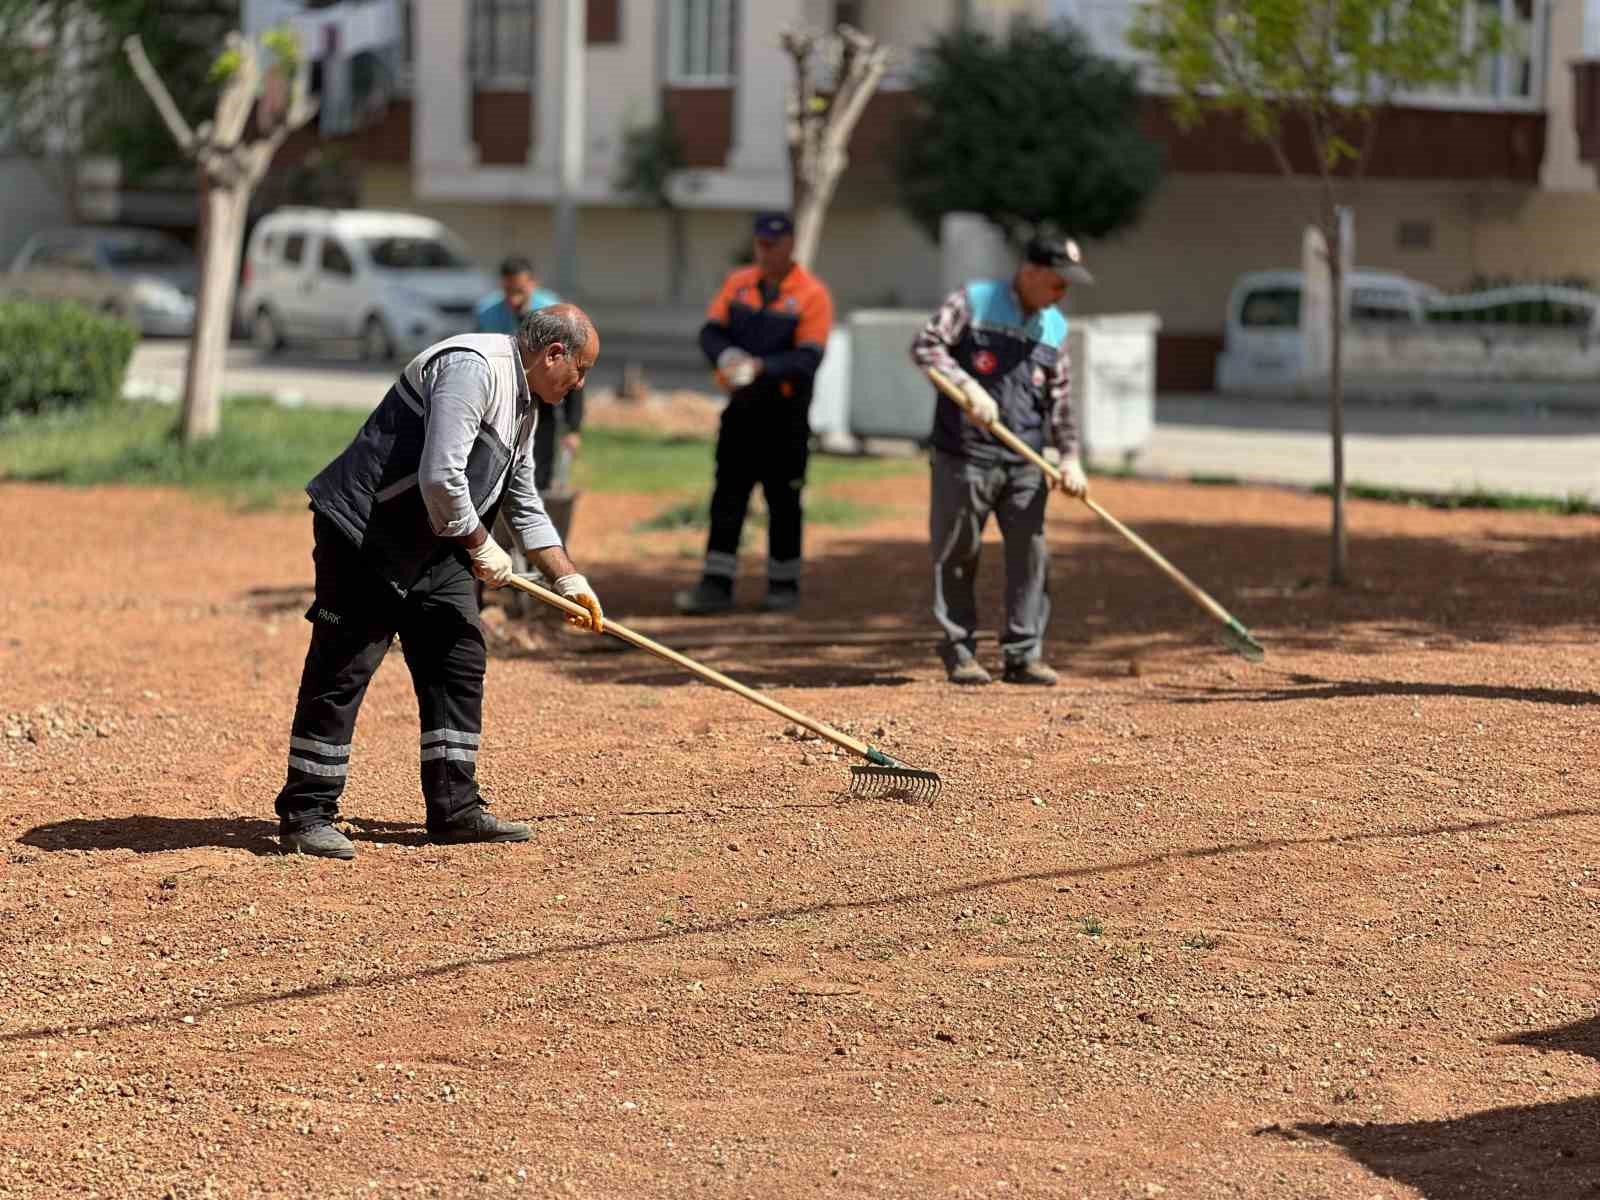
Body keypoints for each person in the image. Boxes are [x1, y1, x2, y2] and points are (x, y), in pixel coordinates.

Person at [272, 305, 605, 860]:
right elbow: (442, 476)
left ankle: (454, 810)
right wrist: (482, 546)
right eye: (582, 369)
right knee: (344, 666)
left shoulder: (526, 404)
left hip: (435, 541)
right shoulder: (473, 368)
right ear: (554, 355)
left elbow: (523, 501)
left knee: (458, 658)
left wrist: (570, 580)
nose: (582, 383)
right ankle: (306, 814)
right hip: (366, 535)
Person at [910, 235, 1094, 688]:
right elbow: (926, 346)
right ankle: (959, 651)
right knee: (957, 552)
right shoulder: (974, 302)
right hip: (965, 455)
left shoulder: (1054, 326)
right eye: (1057, 283)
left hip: (1025, 460)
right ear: (1030, 272)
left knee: (1031, 554)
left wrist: (1070, 458)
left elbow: (1061, 402)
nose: (1062, 294)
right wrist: (967, 387)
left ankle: (1023, 653)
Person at [674, 212, 835, 615]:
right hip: (741, 412)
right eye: (760, 243)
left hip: (785, 418)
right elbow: (711, 331)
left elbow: (809, 358)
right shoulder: (739, 284)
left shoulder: (812, 295)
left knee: (784, 501)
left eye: (773, 244)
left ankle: (784, 586)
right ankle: (716, 585)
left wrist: (762, 367)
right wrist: (727, 355)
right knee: (727, 496)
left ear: (790, 246)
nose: (765, 251)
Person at [476, 256, 583, 493]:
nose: (513, 299)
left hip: (542, 397)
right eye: (508, 291)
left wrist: (573, 427)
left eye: (520, 291)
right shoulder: (487, 314)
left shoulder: (555, 314)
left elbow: (572, 370)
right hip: (501, 397)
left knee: (538, 463)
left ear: (533, 284)